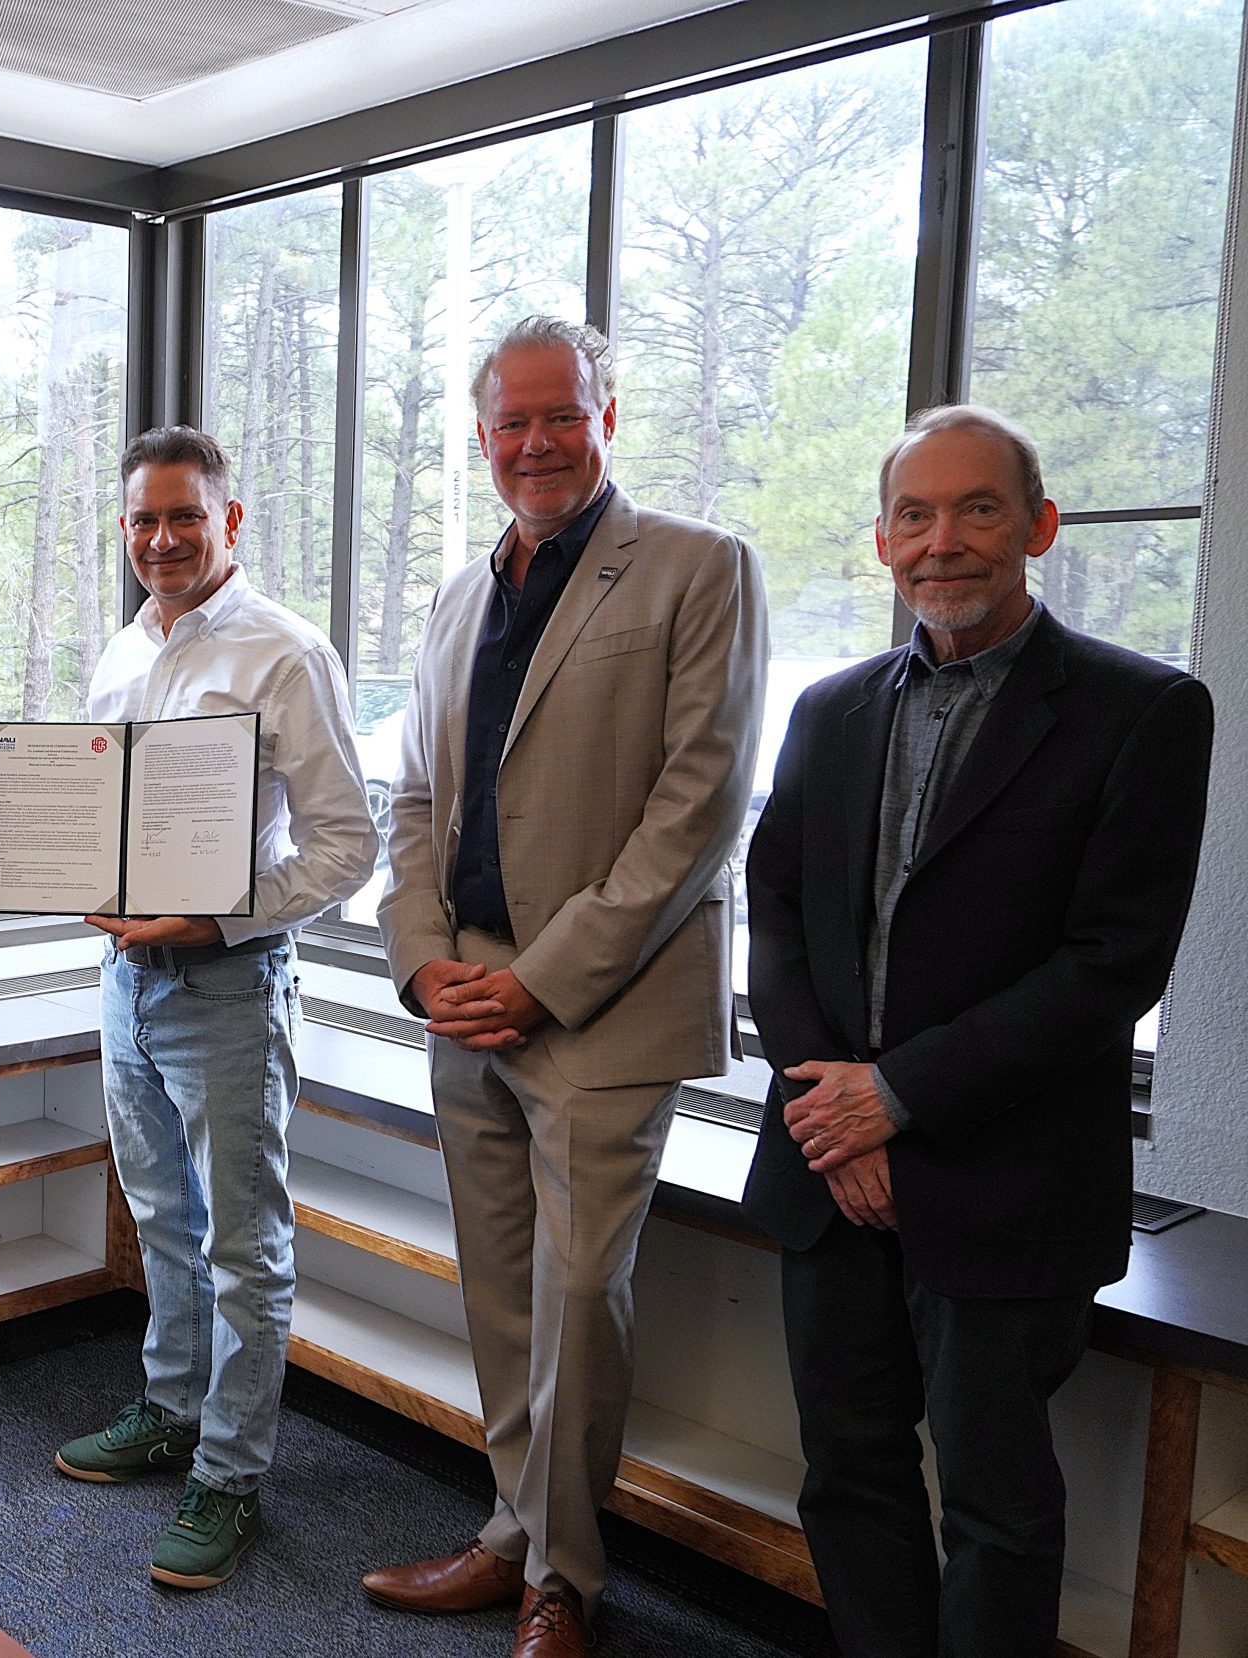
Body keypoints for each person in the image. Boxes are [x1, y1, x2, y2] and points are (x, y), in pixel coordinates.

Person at [740, 406, 1213, 1657]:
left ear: (1039, 525)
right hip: (824, 1164)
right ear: (883, 540)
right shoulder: (832, 709)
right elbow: (774, 904)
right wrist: (834, 1117)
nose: (941, 540)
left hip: (1005, 1177)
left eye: (978, 508)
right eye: (914, 513)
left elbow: (1114, 963)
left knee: (999, 1505)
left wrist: (896, 1099)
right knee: (847, 1469)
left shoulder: (1145, 710)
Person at [363, 316, 767, 1657]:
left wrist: (541, 981)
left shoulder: (700, 569)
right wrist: (423, 960)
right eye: (509, 422)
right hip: (461, 992)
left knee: (581, 1298)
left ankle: (568, 1578)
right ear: (480, 437)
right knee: (502, 1290)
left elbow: (696, 808)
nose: (535, 443)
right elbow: (416, 796)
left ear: (609, 413)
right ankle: (506, 1532)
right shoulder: (462, 592)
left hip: (597, 1007)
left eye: (561, 415)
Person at [1, 427, 377, 1589]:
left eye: (185, 518)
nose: (161, 539)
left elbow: (348, 844)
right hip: (127, 981)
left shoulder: (285, 651)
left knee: (243, 1243)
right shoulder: (125, 651)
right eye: (141, 521)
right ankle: (170, 1409)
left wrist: (217, 920)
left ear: (232, 520)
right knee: (161, 1215)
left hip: (228, 985)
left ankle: (230, 1472)